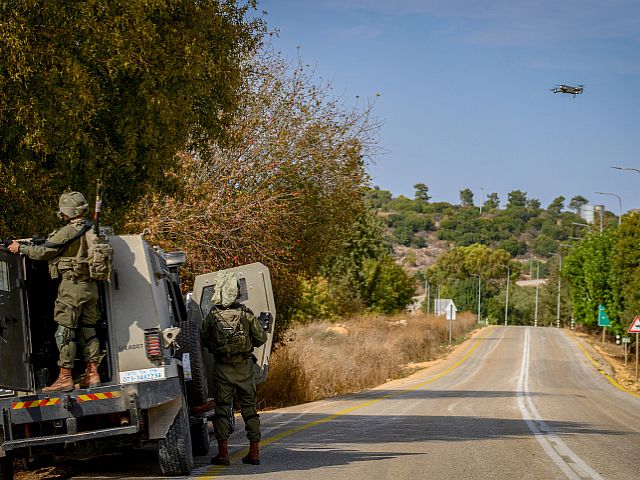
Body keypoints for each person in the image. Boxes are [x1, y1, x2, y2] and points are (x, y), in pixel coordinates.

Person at [8, 191, 101, 392]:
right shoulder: (92, 230)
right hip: (91, 287)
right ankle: (93, 374)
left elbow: (44, 252)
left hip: (72, 287)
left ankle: (65, 377)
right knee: (89, 330)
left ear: (67, 211)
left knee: (65, 333)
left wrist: (19, 248)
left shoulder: (69, 231)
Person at [202, 272, 267, 466]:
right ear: (236, 292)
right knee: (250, 410)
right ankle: (254, 452)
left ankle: (223, 455)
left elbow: (205, 340)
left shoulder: (212, 315)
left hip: (222, 369)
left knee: (222, 410)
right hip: (244, 369)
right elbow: (261, 338)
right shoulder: (246, 314)